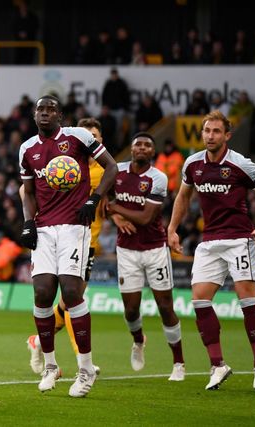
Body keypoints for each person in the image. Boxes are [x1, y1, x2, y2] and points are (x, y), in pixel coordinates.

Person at [167, 110, 255, 391]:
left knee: (247, 301)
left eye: (216, 131)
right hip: (208, 242)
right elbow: (183, 196)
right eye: (206, 131)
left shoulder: (241, 164)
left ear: (227, 135)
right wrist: (172, 229)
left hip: (240, 239)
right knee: (199, 301)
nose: (210, 136)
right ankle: (218, 365)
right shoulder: (192, 164)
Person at [19, 96, 118, 397]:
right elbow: (28, 190)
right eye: (40, 110)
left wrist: (94, 198)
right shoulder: (27, 149)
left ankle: (86, 369)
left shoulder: (78, 137)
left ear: (60, 115)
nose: (45, 113)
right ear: (34, 115)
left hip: (75, 226)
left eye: (51, 109)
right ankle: (50, 366)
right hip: (45, 228)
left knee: (72, 292)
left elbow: (111, 167)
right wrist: (28, 222)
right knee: (42, 292)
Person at [25, 118, 106, 377]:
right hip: (60, 234)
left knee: (70, 299)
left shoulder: (101, 171)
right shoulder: (63, 162)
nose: (93, 139)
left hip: (86, 239)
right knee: (72, 296)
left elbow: (114, 199)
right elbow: (26, 189)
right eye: (89, 134)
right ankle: (80, 359)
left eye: (96, 136)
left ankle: (38, 341)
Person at [106, 132, 185, 381]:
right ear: (131, 150)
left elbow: (144, 218)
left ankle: (179, 362)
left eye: (147, 145)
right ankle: (139, 340)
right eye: (137, 144)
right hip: (127, 251)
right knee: (130, 310)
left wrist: (114, 208)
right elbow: (99, 196)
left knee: (165, 306)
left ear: (153, 152)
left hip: (154, 249)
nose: (141, 148)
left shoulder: (158, 178)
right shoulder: (115, 171)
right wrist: (113, 214)